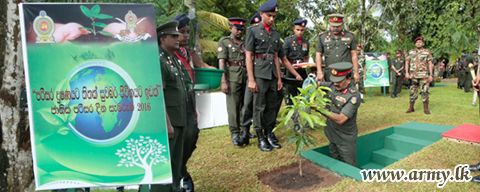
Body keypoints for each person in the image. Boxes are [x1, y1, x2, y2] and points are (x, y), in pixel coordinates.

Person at [172, 13, 216, 192]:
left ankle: (181, 168)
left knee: (192, 136)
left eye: (188, 31)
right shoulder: (168, 53)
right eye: (182, 32)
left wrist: (221, 72)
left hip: (190, 100)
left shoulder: (188, 52)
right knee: (178, 138)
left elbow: (203, 65)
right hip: (174, 103)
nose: (186, 35)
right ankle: (179, 175)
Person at [152, 20, 189, 192]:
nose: (178, 38)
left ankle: (174, 188)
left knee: (176, 162)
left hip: (179, 119)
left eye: (178, 35)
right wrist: (166, 123)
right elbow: (158, 95)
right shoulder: (160, 60)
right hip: (170, 122)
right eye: (173, 36)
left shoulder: (174, 59)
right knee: (165, 163)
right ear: (162, 39)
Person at [243, 0, 283, 152]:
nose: (272, 19)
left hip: (272, 73)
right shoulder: (252, 31)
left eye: (273, 16)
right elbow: (248, 56)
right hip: (259, 73)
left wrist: (279, 78)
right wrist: (251, 79)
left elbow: (276, 57)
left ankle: (269, 133)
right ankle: (260, 136)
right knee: (259, 106)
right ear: (261, 15)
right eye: (269, 15)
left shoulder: (276, 34)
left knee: (272, 106)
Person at [217, 17, 254, 146]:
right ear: (230, 28)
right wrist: (223, 81)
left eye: (241, 29)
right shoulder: (225, 42)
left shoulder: (245, 42)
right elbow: (222, 61)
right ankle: (235, 133)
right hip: (233, 77)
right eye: (237, 29)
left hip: (246, 75)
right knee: (233, 106)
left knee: (246, 105)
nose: (239, 32)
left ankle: (245, 130)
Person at [318, 62, 361, 167]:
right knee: (335, 164)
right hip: (332, 135)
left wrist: (319, 109)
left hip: (345, 139)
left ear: (349, 79)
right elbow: (316, 83)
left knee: (349, 167)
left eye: (339, 81)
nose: (336, 84)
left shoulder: (353, 96)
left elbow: (341, 119)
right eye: (334, 80)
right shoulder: (332, 85)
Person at [315, 13, 359, 84]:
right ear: (329, 24)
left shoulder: (349, 36)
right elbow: (318, 54)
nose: (335, 28)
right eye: (333, 26)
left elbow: (354, 55)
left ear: (342, 25)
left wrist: (356, 72)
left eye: (338, 26)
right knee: (329, 93)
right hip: (330, 73)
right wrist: (319, 72)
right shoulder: (323, 37)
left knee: (347, 94)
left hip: (345, 73)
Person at [283, 19, 310, 129]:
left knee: (305, 96)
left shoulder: (306, 42)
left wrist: (307, 66)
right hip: (290, 73)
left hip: (302, 72)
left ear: (304, 30)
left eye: (302, 30)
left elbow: (306, 57)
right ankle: (295, 122)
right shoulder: (288, 41)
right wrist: (292, 69)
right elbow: (282, 59)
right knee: (292, 97)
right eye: (298, 29)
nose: (300, 32)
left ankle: (306, 121)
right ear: (294, 29)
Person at [405, 36, 434, 114]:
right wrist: (407, 73)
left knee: (425, 91)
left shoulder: (427, 52)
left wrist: (431, 74)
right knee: (412, 92)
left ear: (423, 43)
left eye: (420, 42)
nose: (418, 43)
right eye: (417, 42)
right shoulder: (411, 52)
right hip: (413, 76)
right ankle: (411, 108)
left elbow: (430, 63)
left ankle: (426, 109)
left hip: (424, 76)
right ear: (415, 44)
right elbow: (407, 62)